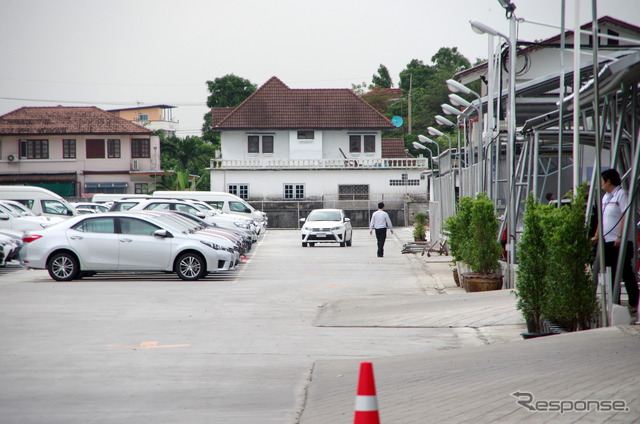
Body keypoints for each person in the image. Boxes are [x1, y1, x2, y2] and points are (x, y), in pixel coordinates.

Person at [592, 169, 638, 316]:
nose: (601, 185)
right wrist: (597, 235)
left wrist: (620, 235)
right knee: (610, 273)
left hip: (621, 241)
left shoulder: (621, 194)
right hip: (607, 240)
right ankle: (614, 302)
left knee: (625, 272)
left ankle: (633, 303)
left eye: (602, 181)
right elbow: (602, 217)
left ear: (608, 181)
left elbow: (625, 214)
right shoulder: (605, 197)